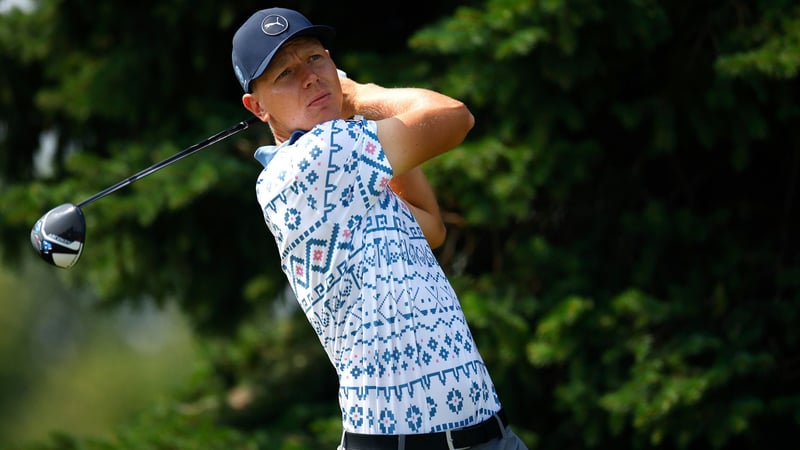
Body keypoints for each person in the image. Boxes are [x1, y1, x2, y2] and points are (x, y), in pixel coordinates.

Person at [231, 7, 528, 450]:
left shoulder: (350, 169)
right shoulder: (314, 161)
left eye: (315, 59)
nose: (310, 77)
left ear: (331, 60)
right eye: (285, 74)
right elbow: (453, 116)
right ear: (257, 107)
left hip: (489, 434)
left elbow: (429, 226)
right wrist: (362, 94)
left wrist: (354, 114)